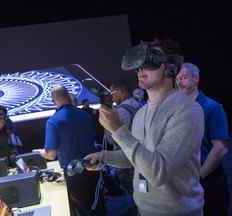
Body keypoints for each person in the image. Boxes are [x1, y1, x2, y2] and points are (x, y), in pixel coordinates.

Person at [85, 39, 205, 216]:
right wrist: (104, 157)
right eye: (139, 64)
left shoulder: (188, 110)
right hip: (144, 210)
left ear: (170, 68)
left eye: (150, 61)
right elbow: (137, 158)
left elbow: (158, 172)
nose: (140, 68)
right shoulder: (141, 113)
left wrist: (118, 130)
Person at [38, 86, 104, 216]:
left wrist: (40, 152)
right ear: (68, 96)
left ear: (53, 101)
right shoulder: (85, 114)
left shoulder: (53, 121)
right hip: (94, 166)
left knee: (82, 209)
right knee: (97, 204)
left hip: (75, 172)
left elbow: (51, 155)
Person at [176, 62, 230, 216]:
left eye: (184, 77)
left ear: (196, 79)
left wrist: (199, 176)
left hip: (207, 179)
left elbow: (220, 148)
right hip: (186, 180)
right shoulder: (178, 109)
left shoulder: (212, 107)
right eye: (178, 79)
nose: (179, 82)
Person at [101, 80, 141, 216]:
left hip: (127, 158)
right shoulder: (139, 104)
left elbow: (112, 138)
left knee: (135, 194)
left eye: (112, 93)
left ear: (121, 91)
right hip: (142, 156)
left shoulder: (120, 111)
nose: (111, 96)